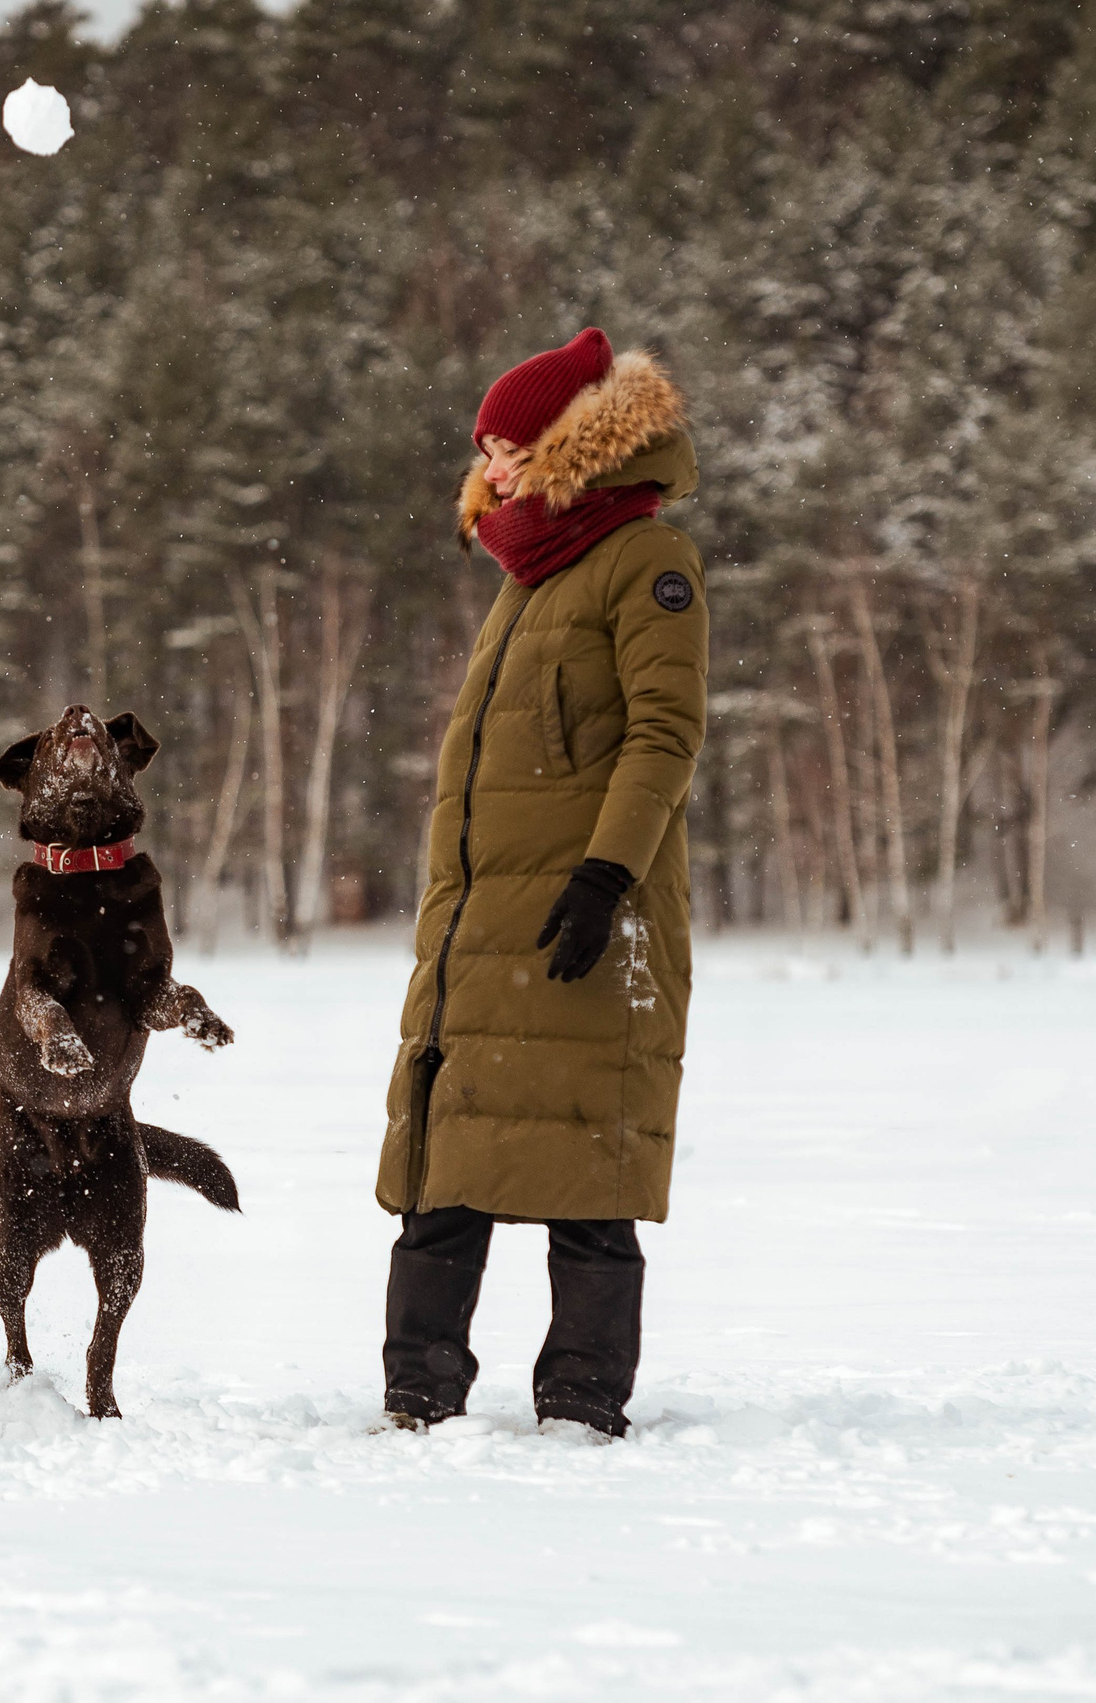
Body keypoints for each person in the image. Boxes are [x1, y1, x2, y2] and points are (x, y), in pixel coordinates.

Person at [375, 327, 706, 1439]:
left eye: (512, 444)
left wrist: (606, 874)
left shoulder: (646, 559)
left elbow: (662, 737)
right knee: (442, 1170)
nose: (494, 466)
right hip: (483, 921)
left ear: (574, 444)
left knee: (591, 1172)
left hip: (587, 912)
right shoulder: (528, 572)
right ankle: (418, 1394)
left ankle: (579, 1401)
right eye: (486, 447)